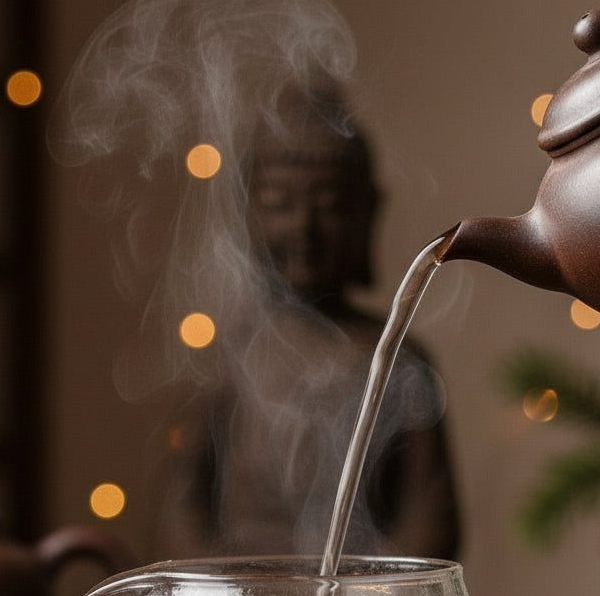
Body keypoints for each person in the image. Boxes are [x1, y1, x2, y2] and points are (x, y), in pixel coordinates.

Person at [156, 85, 460, 561]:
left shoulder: (395, 358)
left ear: (367, 216)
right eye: (279, 203)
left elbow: (431, 514)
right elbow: (180, 508)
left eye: (333, 206)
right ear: (247, 214)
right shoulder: (228, 356)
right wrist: (215, 592)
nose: (305, 227)